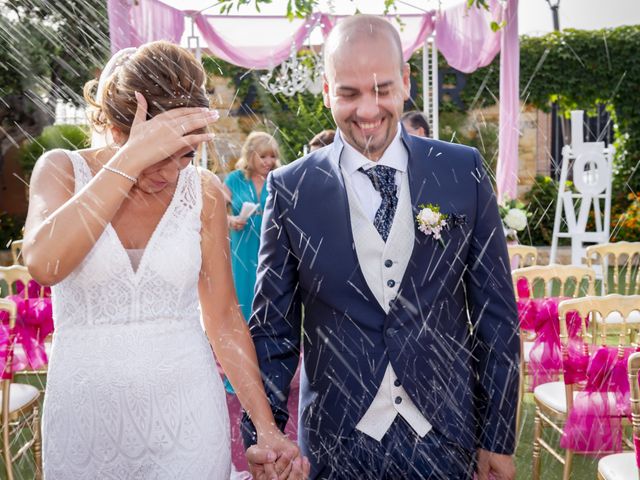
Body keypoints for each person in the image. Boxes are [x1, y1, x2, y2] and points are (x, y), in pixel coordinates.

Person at [242, 15, 519, 479]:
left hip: (445, 436)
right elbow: (273, 329)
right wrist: (266, 435)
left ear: (406, 82)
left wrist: (498, 436)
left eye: (382, 89)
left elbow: (496, 314)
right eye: (349, 93)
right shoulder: (291, 189)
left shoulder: (460, 171)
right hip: (335, 443)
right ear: (327, 91)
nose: (367, 110)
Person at [22, 41, 308, 479]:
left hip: (188, 420)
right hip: (85, 423)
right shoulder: (60, 170)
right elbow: (45, 264)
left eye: (185, 156)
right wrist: (130, 160)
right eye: (158, 156)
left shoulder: (204, 192)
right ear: (118, 131)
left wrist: (266, 429)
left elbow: (224, 320)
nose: (171, 173)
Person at [224, 132, 281, 323]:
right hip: (241, 246)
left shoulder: (279, 179)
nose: (269, 162)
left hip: (272, 245)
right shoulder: (234, 179)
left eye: (272, 156)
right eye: (263, 156)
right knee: (242, 291)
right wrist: (230, 220)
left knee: (270, 293)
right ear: (250, 155)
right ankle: (242, 337)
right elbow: (213, 212)